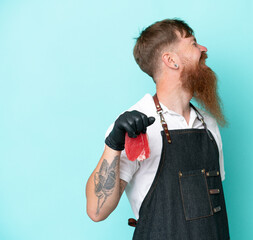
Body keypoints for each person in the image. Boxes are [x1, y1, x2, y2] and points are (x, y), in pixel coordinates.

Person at [85, 18, 230, 239]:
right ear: (171, 60)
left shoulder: (208, 125)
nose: (203, 49)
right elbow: (97, 211)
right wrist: (113, 145)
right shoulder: (136, 125)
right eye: (193, 44)